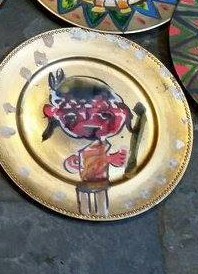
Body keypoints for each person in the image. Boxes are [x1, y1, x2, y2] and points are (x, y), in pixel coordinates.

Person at [42, 70, 142, 216]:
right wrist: (109, 159)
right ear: (53, 113)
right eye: (72, 117)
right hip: (85, 183)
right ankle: (90, 213)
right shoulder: (82, 145)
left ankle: (100, 215)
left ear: (123, 112)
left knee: (101, 206)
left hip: (101, 183)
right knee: (86, 205)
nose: (91, 123)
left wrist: (111, 159)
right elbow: (77, 162)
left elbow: (83, 161)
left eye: (104, 115)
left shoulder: (102, 143)